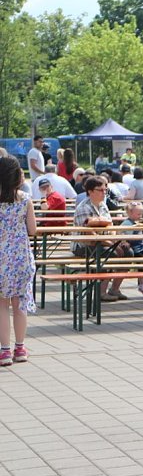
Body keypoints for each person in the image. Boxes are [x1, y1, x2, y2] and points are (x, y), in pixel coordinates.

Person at [0, 157, 37, 367]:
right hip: (21, 257)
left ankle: (4, 351)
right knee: (19, 303)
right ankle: (20, 347)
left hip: (1, 257)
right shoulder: (25, 199)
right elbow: (32, 230)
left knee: (2, 304)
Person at [73, 176, 128, 302]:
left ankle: (114, 289)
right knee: (110, 253)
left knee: (128, 252)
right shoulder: (83, 208)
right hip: (83, 246)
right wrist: (111, 244)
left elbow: (111, 227)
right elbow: (88, 235)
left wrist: (117, 241)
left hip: (103, 243)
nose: (104, 193)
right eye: (101, 190)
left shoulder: (103, 205)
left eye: (105, 190)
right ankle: (100, 292)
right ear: (90, 191)